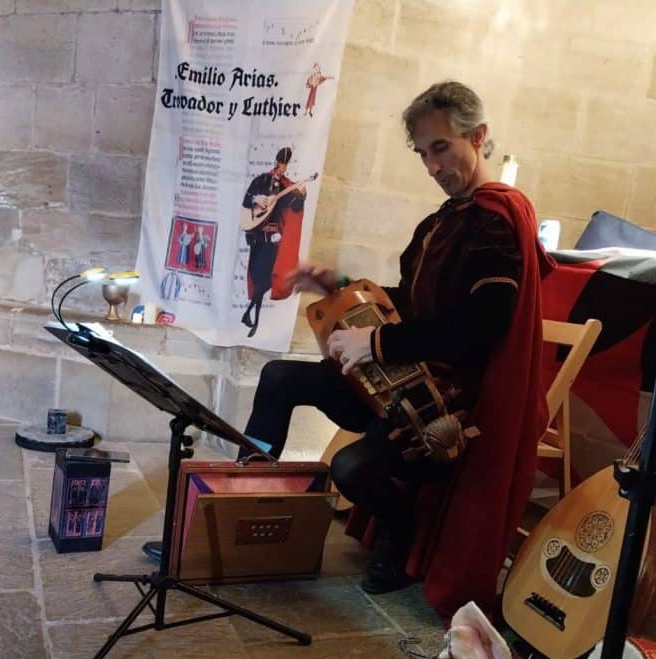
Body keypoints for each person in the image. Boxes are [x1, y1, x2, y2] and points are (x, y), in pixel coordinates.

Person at [235, 81, 556, 615]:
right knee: (280, 379)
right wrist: (337, 284)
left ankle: (399, 532)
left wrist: (377, 341)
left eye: (441, 148)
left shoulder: (495, 221)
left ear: (477, 137)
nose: (431, 166)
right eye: (422, 152)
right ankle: (239, 503)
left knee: (353, 470)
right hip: (401, 379)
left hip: (447, 402)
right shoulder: (442, 222)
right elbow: (411, 299)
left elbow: (481, 325)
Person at [240, 147, 306, 338]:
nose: (282, 168)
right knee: (257, 276)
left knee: (265, 281)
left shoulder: (287, 187)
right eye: (280, 163)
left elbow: (295, 205)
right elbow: (247, 200)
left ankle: (254, 319)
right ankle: (249, 314)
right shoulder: (261, 180)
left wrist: (301, 195)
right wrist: (256, 199)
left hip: (274, 242)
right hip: (259, 238)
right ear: (276, 162)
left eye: (285, 165)